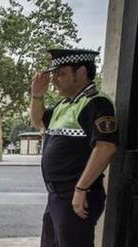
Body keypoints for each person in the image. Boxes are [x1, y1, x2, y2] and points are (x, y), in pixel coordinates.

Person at [30, 49, 118, 247]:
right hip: (57, 196)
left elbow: (106, 148)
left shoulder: (97, 103)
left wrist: (81, 189)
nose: (54, 80)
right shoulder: (64, 105)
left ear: (81, 73)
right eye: (53, 75)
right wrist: (36, 96)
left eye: (60, 74)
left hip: (76, 196)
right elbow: (37, 122)